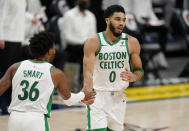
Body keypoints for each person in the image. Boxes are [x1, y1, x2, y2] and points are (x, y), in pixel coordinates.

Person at [0, 31, 96, 131]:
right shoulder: (55, 73)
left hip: (14, 119)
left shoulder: (15, 67)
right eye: (54, 47)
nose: (55, 50)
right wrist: (83, 95)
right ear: (50, 50)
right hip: (36, 120)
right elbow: (68, 100)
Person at [83, 5, 144, 131]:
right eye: (117, 19)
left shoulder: (132, 42)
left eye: (123, 20)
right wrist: (87, 90)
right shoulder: (93, 41)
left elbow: (139, 70)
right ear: (107, 21)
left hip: (119, 97)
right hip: (98, 97)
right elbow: (88, 72)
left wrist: (134, 76)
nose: (121, 23)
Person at [62, 0, 97, 89]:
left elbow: (93, 35)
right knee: (85, 52)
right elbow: (67, 37)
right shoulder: (69, 15)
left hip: (87, 45)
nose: (85, 2)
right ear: (77, 1)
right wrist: (83, 43)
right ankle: (74, 85)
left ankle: (91, 84)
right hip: (72, 46)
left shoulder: (91, 16)